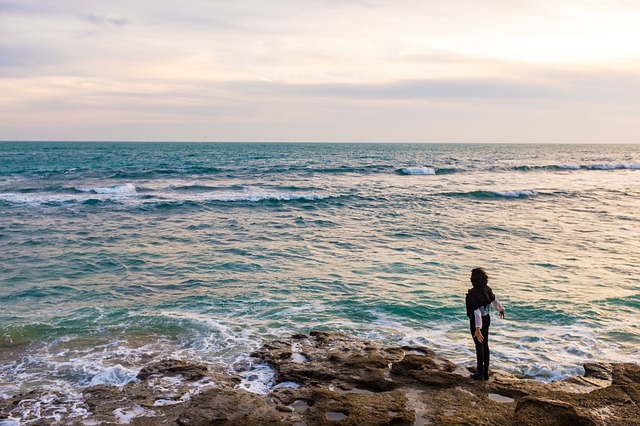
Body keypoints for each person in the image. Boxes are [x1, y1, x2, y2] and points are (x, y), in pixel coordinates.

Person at [465, 267, 505, 380]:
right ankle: (485, 372)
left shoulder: (473, 293)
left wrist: (477, 329)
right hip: (487, 319)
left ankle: (479, 373)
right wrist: (501, 309)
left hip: (478, 322)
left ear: (473, 280)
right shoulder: (486, 289)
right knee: (485, 345)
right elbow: (493, 300)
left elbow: (476, 312)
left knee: (479, 346)